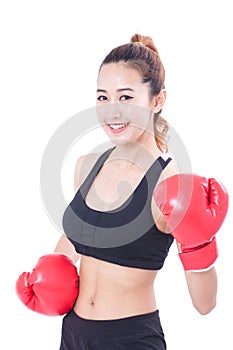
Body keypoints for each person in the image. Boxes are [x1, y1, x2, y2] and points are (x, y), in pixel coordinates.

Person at [16, 34, 228, 349]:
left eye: (125, 97)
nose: (112, 110)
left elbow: (204, 304)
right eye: (103, 97)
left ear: (157, 101)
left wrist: (200, 242)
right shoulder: (87, 166)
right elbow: (74, 244)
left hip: (130, 340)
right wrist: (50, 273)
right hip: (72, 335)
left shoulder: (172, 186)